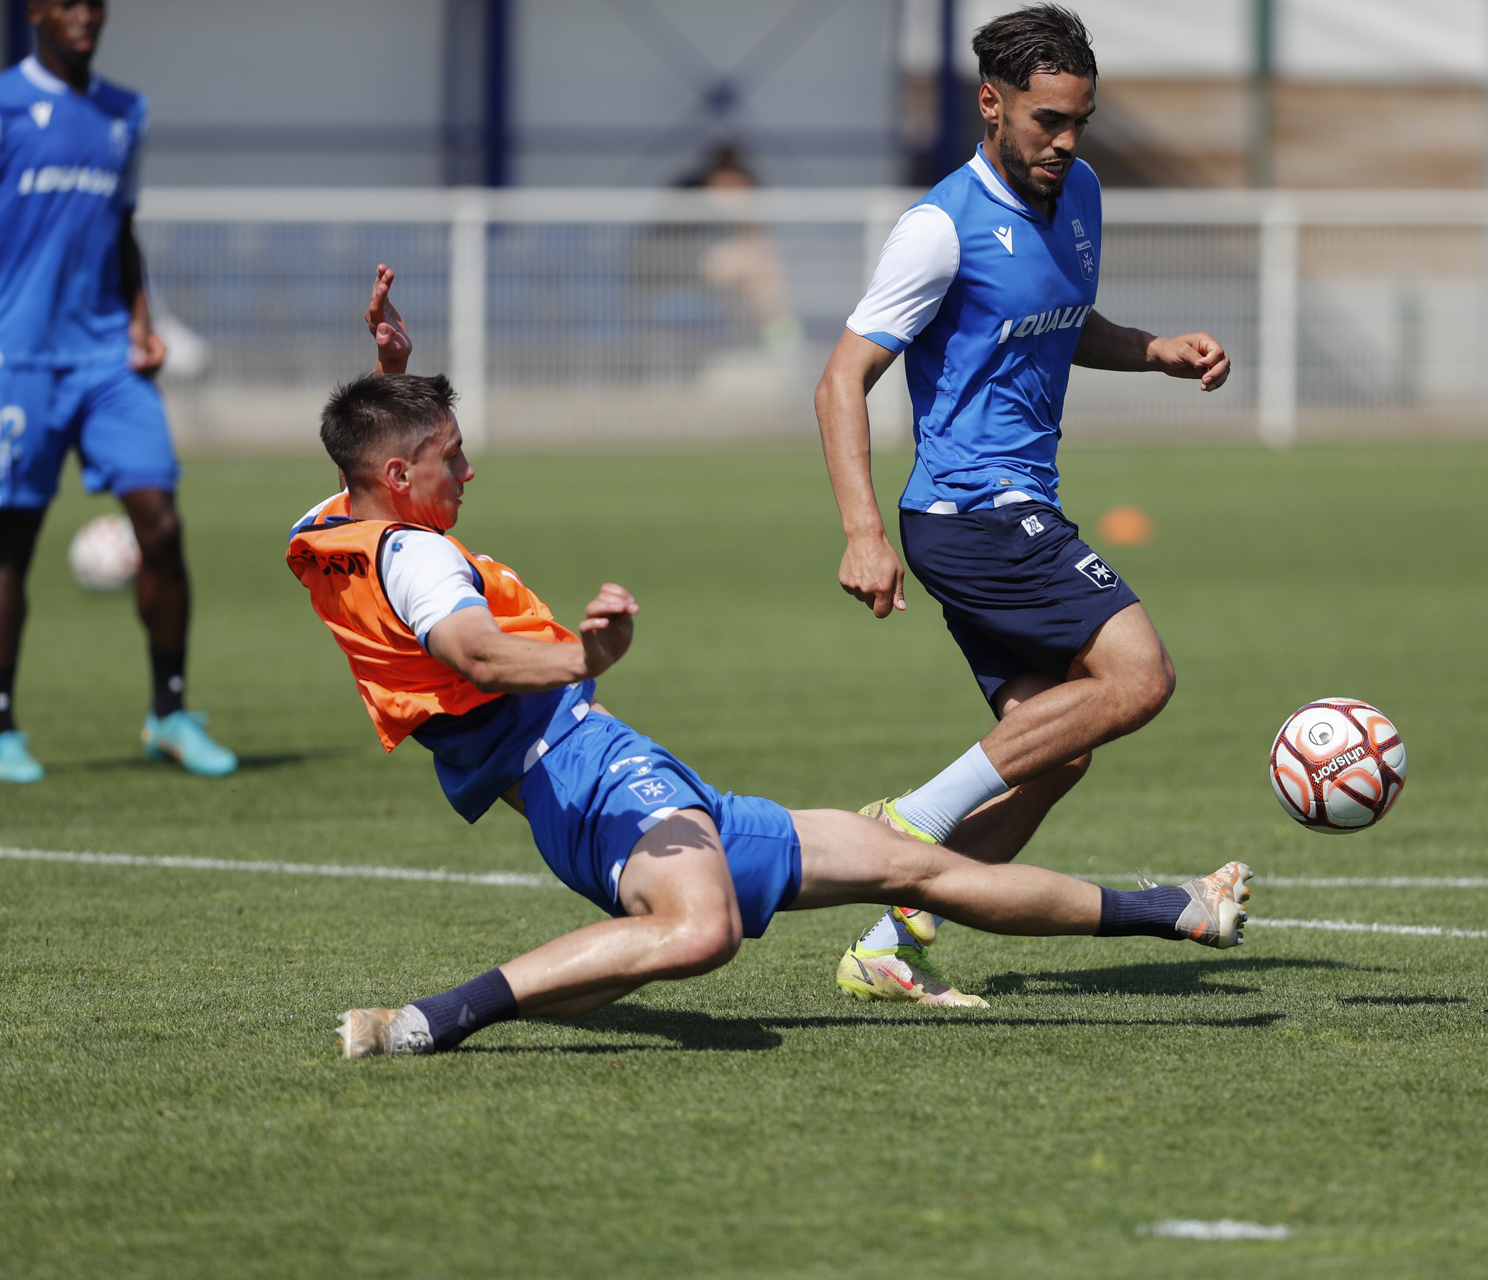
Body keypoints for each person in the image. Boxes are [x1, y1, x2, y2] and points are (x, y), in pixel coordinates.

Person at [308, 268, 1250, 1056]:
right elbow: (470, 646)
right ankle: (421, 1024)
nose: (468, 475)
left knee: (910, 867)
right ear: (398, 478)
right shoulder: (422, 558)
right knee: (699, 932)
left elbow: (375, 479)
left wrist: (394, 377)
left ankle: (1176, 910)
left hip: (596, 781)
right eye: (451, 460)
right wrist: (578, 656)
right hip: (589, 774)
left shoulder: (337, 526)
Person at [813, 5, 1230, 1003]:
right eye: (1047, 119)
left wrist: (1151, 350)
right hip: (973, 514)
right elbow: (840, 380)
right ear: (991, 105)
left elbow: (1055, 316)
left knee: (1057, 751)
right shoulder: (938, 228)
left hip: (1013, 508)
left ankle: (889, 941)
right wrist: (863, 533)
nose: (1067, 140)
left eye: (1080, 119)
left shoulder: (1078, 190)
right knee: (1140, 675)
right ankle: (909, 819)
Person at [0, 0, 235, 781]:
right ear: (37, 12)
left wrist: (142, 321)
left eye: (95, 6)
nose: (85, 17)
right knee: (13, 542)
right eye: (68, 4)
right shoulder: (6, 105)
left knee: (160, 526)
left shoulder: (123, 111)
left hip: (107, 358)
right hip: (19, 359)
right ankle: (2, 726)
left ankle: (168, 714)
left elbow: (120, 226)